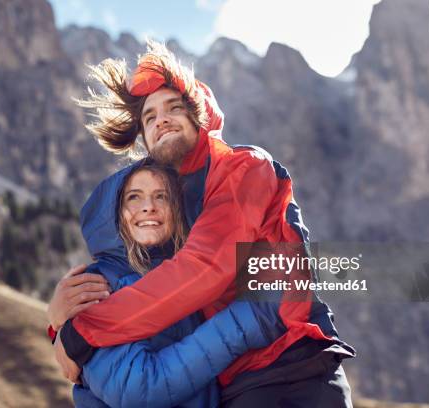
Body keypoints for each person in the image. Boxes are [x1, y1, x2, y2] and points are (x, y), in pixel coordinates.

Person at [55, 41, 355, 406]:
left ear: (199, 117)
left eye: (173, 108)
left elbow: (206, 266)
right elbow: (144, 280)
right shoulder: (173, 207)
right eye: (149, 118)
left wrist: (84, 332)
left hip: (296, 368)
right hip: (236, 385)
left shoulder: (243, 168)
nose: (160, 119)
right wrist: (58, 322)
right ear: (145, 141)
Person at [50, 161, 281, 407]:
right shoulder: (93, 286)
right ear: (112, 213)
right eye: (134, 197)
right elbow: (139, 389)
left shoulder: (187, 276)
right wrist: (242, 324)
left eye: (161, 196)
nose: (149, 207)